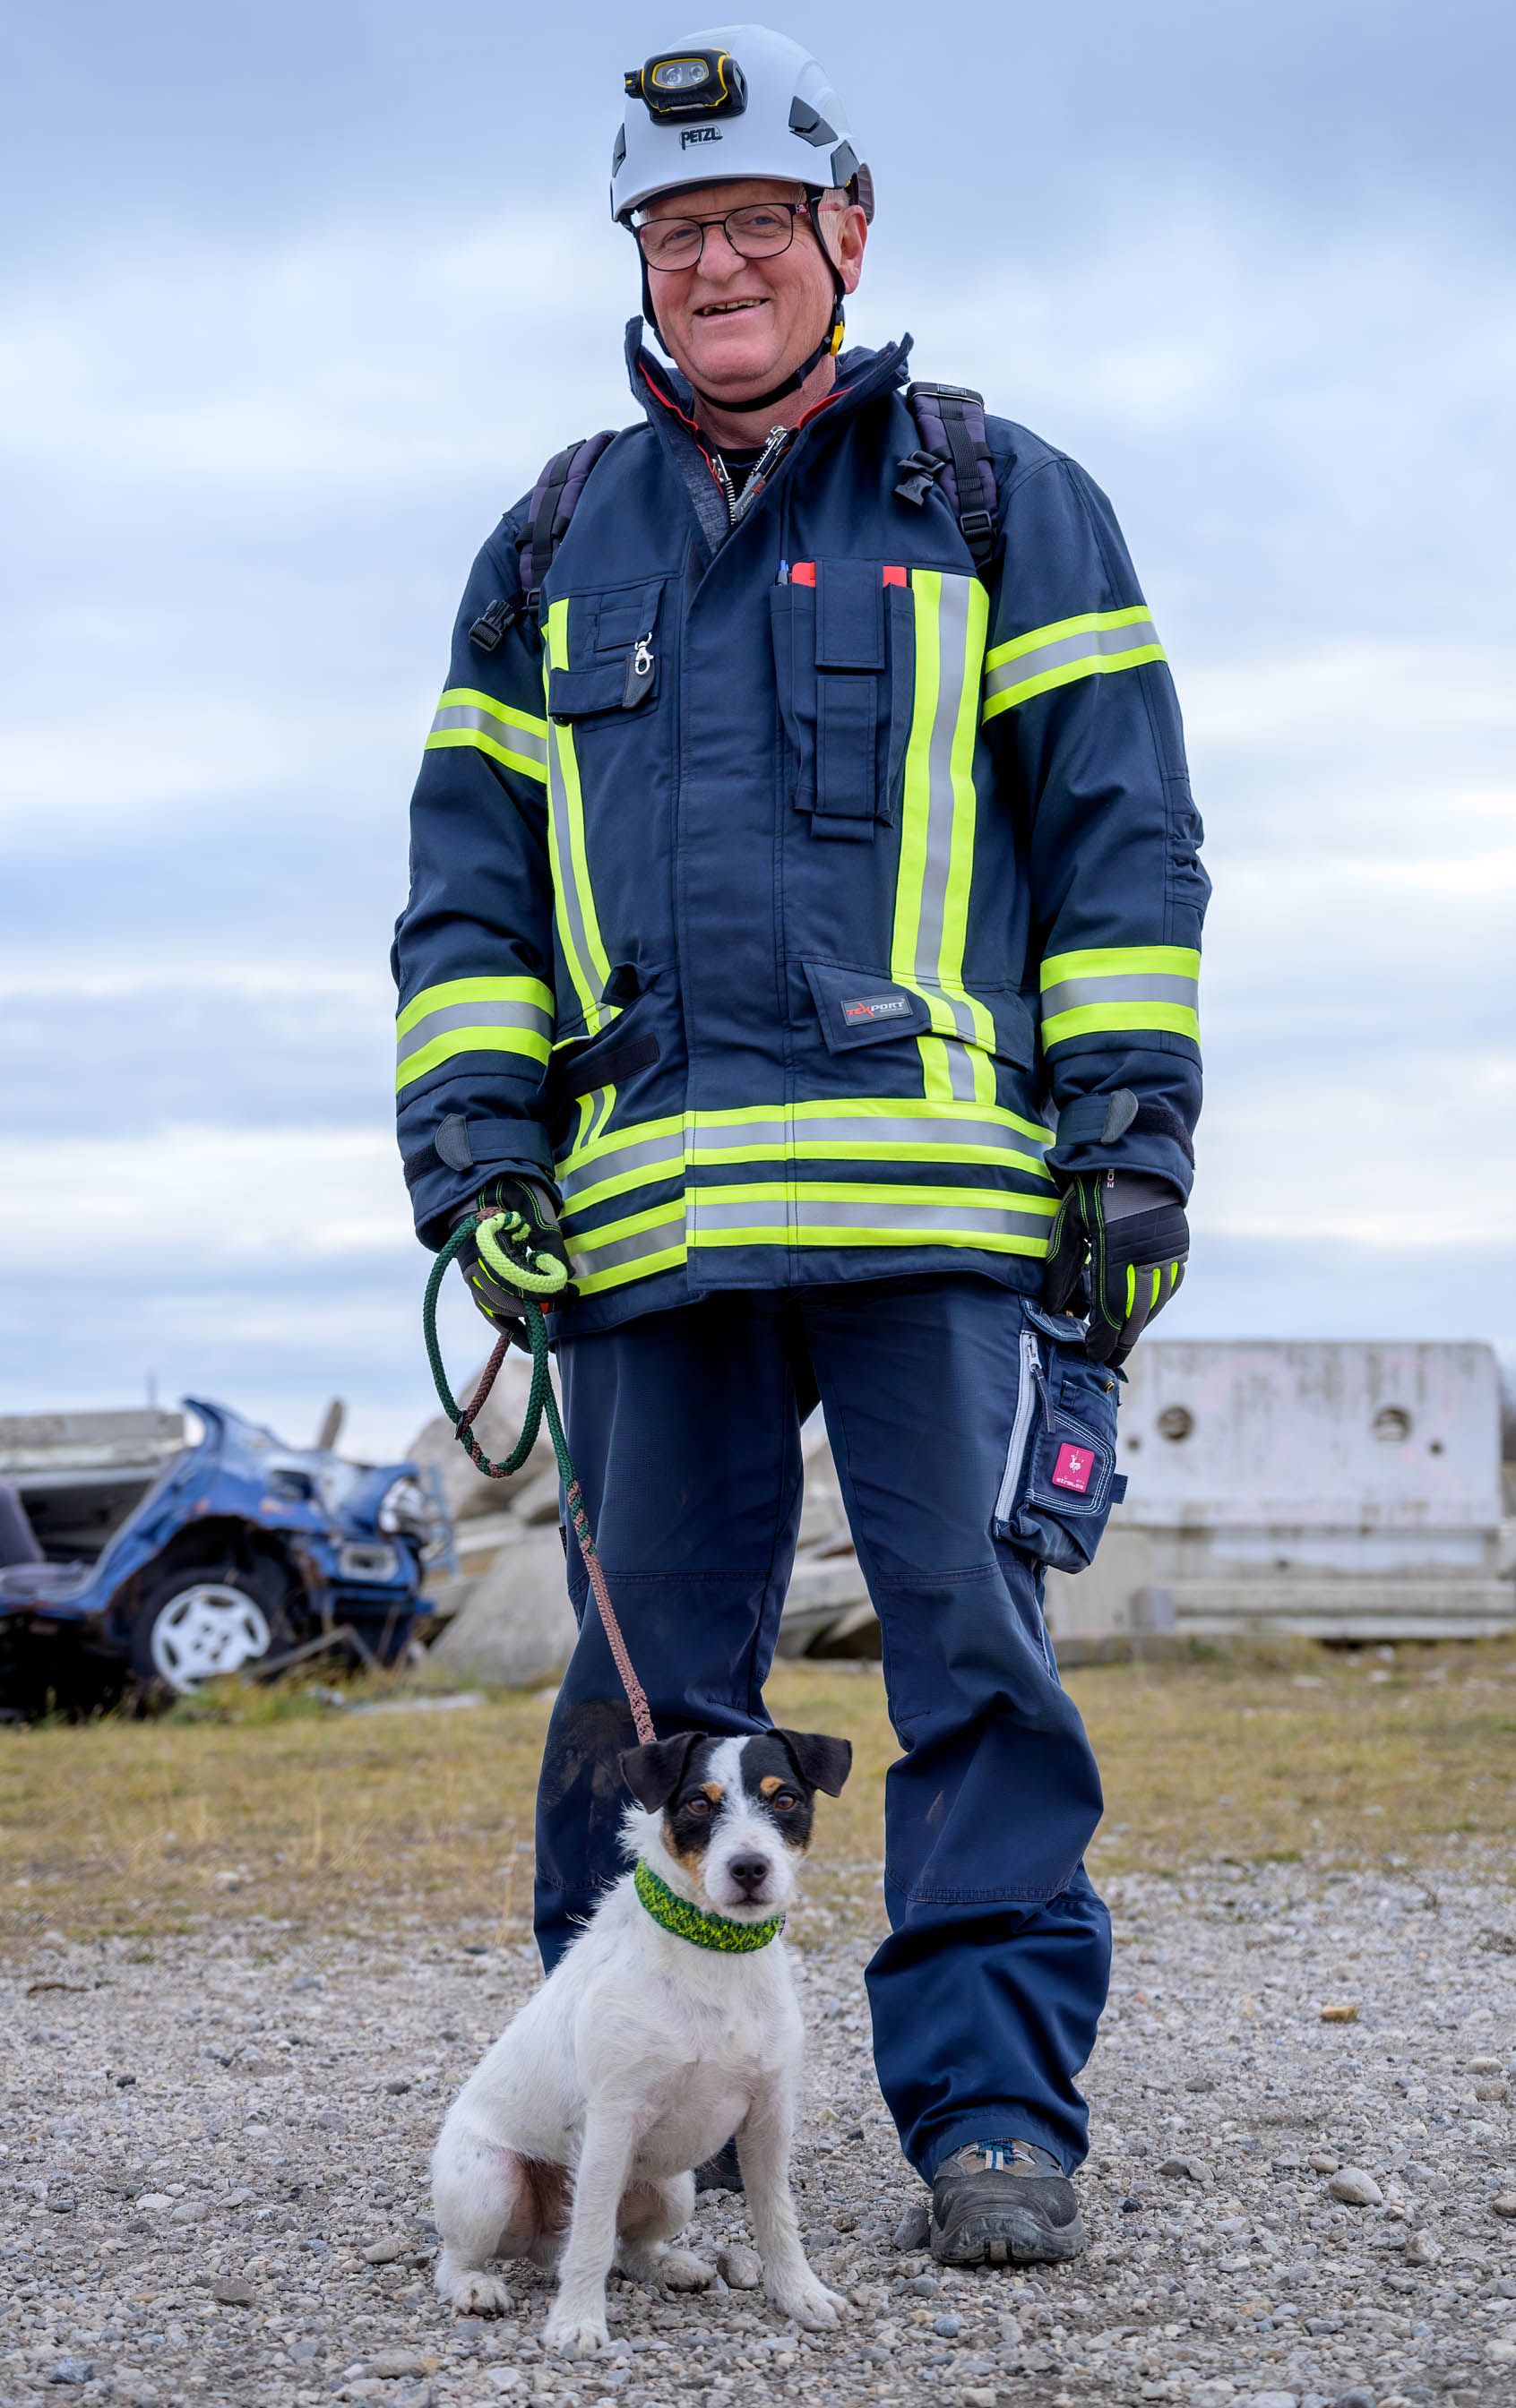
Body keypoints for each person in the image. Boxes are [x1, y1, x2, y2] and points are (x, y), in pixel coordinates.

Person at [392, 22, 1208, 2266]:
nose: (717, 264)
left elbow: (1127, 844)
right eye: (676, 231)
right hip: (641, 1241)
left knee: (975, 1664)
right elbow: (465, 890)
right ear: (636, 264)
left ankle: (988, 2120)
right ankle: (612, 2146)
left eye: (757, 222)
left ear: (849, 235)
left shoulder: (999, 500)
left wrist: (1133, 1140)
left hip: (948, 1218)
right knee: (634, 1698)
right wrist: (478, 1162)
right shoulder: (551, 539)